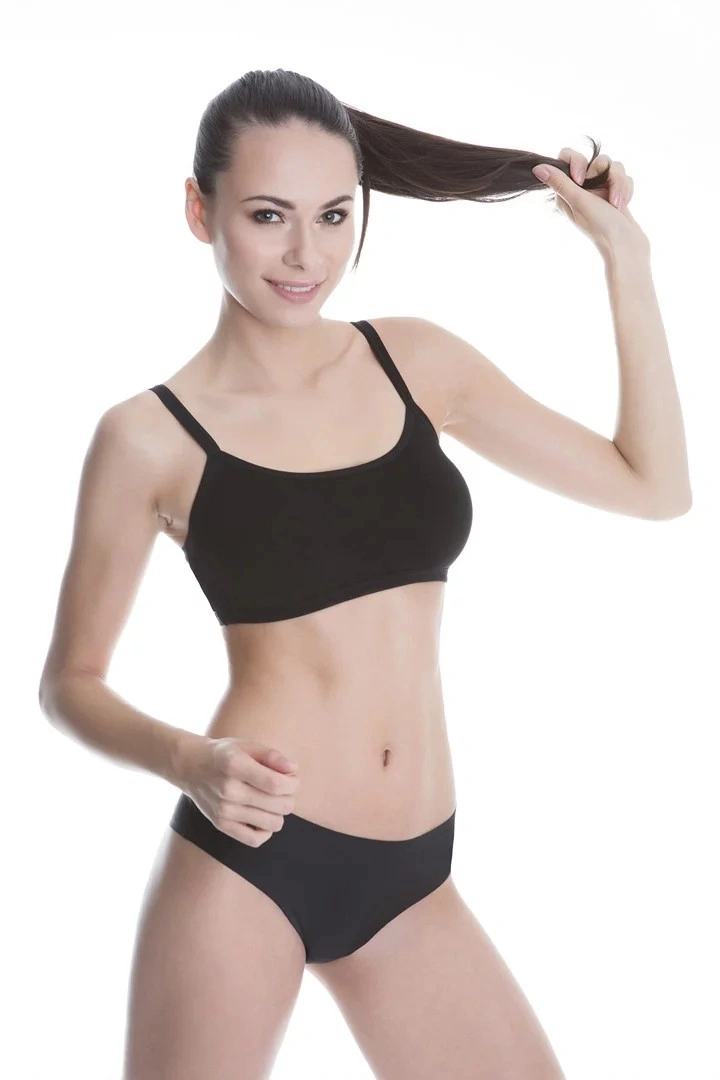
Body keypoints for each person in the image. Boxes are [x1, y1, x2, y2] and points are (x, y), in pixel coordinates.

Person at [38, 68, 690, 1080]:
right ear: (200, 210)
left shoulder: (417, 363)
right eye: (269, 216)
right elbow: (69, 683)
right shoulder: (148, 437)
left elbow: (655, 487)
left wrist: (626, 260)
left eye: (334, 216)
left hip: (414, 882)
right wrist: (188, 761)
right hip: (250, 860)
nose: (307, 255)